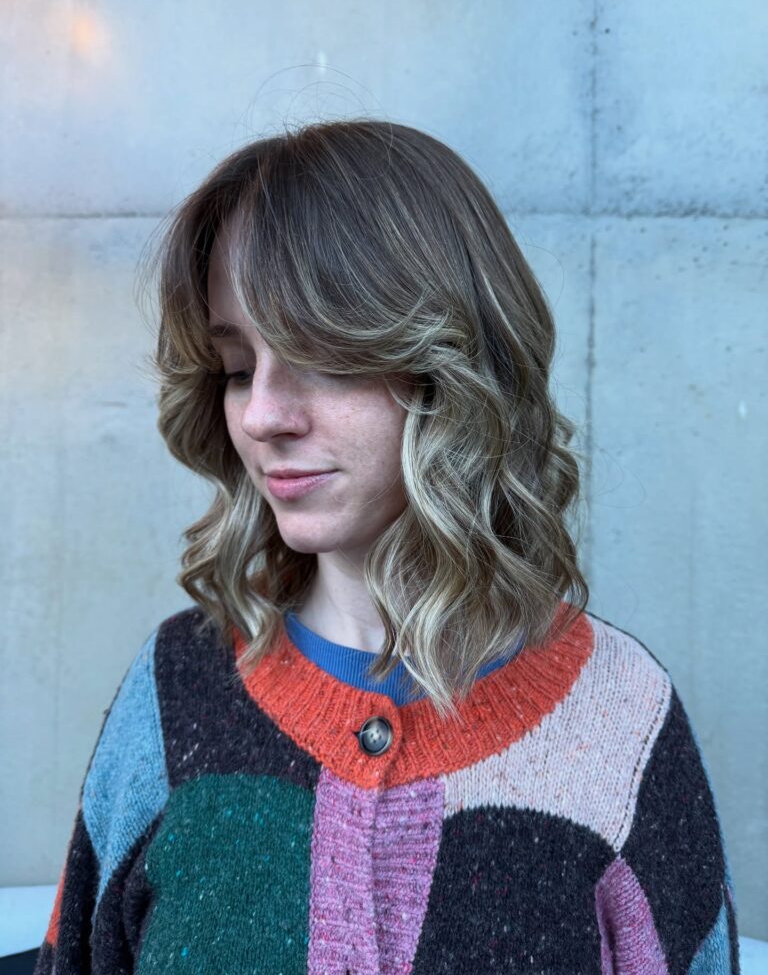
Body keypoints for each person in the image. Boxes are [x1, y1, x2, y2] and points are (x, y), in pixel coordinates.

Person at [33, 120, 740, 973]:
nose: (262, 414)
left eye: (320, 357)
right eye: (236, 367)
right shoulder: (171, 696)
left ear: (450, 369)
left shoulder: (621, 721)